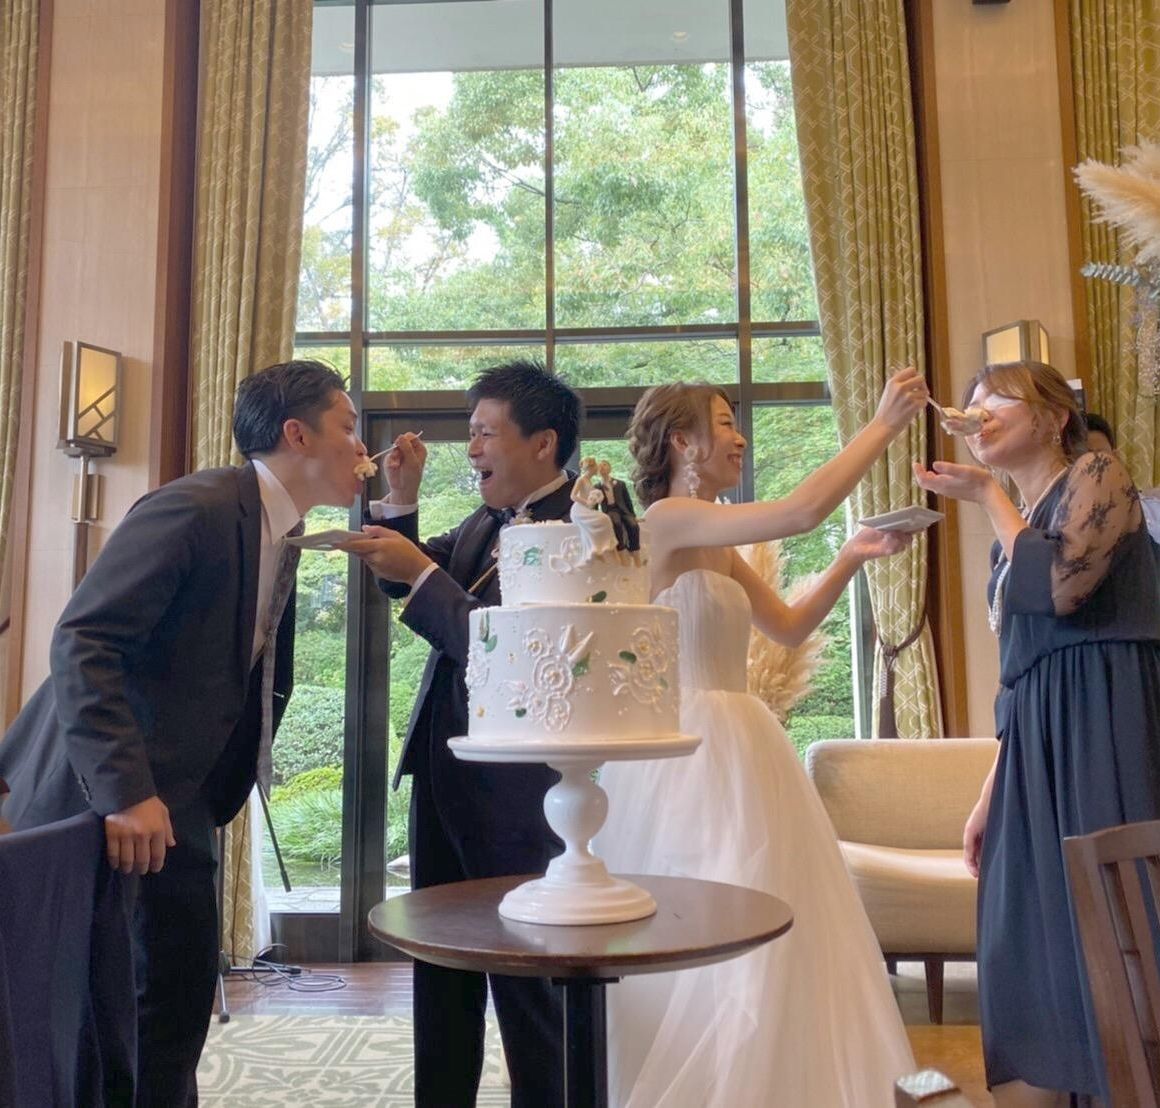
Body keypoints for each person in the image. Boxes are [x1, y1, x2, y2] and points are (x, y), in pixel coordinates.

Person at [0, 359, 368, 1105]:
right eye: (348, 427)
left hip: (184, 799)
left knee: (173, 1003)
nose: (362, 448)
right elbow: (84, 640)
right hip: (102, 795)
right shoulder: (197, 508)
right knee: (98, 1020)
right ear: (297, 435)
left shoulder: (283, 530)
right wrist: (126, 793)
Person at [594, 367, 927, 1107]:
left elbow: (789, 627)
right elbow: (801, 512)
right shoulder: (667, 520)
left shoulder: (717, 540)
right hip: (684, 755)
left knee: (772, 924)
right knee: (707, 922)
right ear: (682, 442)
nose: (740, 437)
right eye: (724, 422)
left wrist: (852, 556)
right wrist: (882, 425)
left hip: (745, 743)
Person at [914, 360, 1160, 1105]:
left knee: (1117, 923)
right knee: (1023, 933)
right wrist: (991, 791)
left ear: (1054, 418)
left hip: (1106, 718)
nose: (979, 411)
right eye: (973, 401)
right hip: (1035, 742)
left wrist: (986, 494)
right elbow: (1019, 675)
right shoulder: (1007, 538)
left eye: (999, 399)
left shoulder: (1098, 474)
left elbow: (1063, 588)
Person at [341, 359, 579, 1108]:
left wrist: (417, 572)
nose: (471, 448)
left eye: (484, 433)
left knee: (526, 975)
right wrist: (400, 500)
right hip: (444, 772)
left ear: (543, 443)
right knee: (440, 967)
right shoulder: (487, 519)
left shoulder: (586, 520)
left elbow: (513, 649)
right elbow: (402, 576)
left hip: (520, 786)